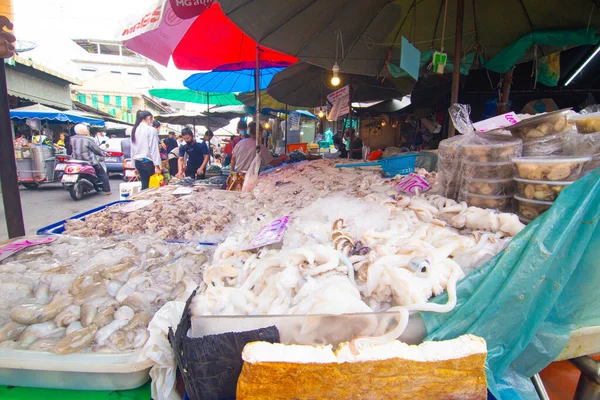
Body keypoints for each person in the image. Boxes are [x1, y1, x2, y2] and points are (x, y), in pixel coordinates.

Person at [70, 124, 111, 195]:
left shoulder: (72, 139)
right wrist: (104, 153)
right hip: (89, 161)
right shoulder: (88, 139)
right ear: (84, 130)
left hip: (76, 161)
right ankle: (107, 190)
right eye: (86, 129)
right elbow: (96, 150)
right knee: (102, 173)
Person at [131, 110, 162, 190]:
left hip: (138, 162)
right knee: (151, 188)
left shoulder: (135, 129)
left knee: (145, 185)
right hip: (147, 162)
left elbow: (133, 149)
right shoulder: (150, 130)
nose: (152, 122)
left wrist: (134, 166)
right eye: (152, 119)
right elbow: (153, 148)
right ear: (148, 118)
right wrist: (157, 165)